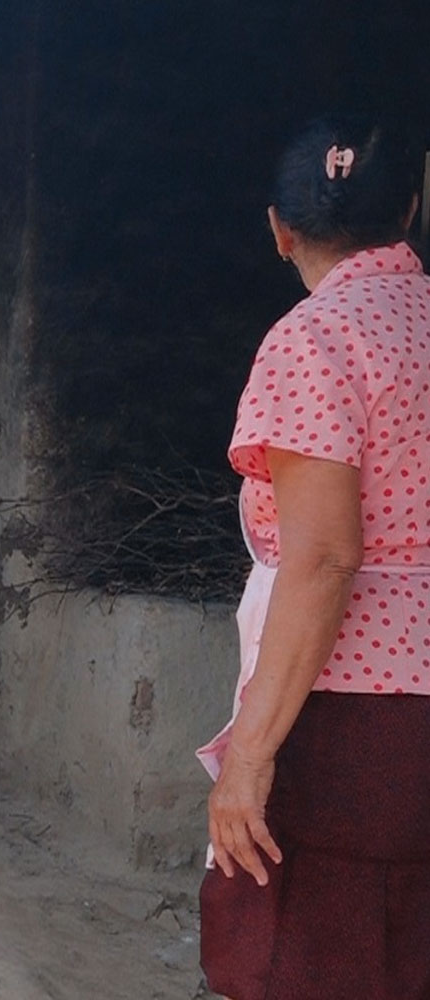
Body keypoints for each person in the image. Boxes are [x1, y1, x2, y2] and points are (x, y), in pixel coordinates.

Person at [197, 116, 430, 1000]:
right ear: (409, 210)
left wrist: (251, 754)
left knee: (305, 952)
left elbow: (326, 558)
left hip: (353, 718)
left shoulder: (317, 338)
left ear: (278, 229)